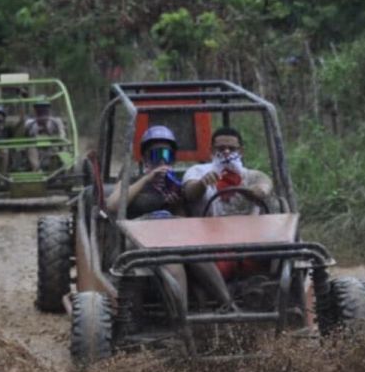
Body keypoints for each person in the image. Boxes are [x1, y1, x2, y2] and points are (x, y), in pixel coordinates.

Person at [106, 125, 236, 314]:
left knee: (197, 252)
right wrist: (147, 179)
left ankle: (229, 306)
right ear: (144, 158)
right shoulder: (132, 178)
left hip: (171, 235)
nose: (161, 160)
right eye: (155, 154)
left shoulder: (174, 183)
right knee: (172, 262)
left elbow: (183, 221)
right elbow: (113, 205)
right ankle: (181, 324)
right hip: (137, 236)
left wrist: (175, 204)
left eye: (166, 155)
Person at [182, 127, 273, 217]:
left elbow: (264, 188)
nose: (226, 152)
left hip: (246, 228)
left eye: (232, 148)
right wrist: (202, 184)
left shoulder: (253, 176)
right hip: (206, 228)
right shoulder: (198, 171)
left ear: (241, 151)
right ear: (212, 151)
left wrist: (248, 190)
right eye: (221, 149)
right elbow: (189, 193)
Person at [21, 101, 66, 171]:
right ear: (35, 112)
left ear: (49, 111)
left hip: (51, 148)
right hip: (36, 150)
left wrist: (47, 130)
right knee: (31, 148)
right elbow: (23, 138)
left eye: (45, 110)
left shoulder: (56, 122)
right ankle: (37, 170)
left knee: (56, 150)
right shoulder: (29, 123)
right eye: (39, 111)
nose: (42, 114)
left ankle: (53, 172)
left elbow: (62, 137)